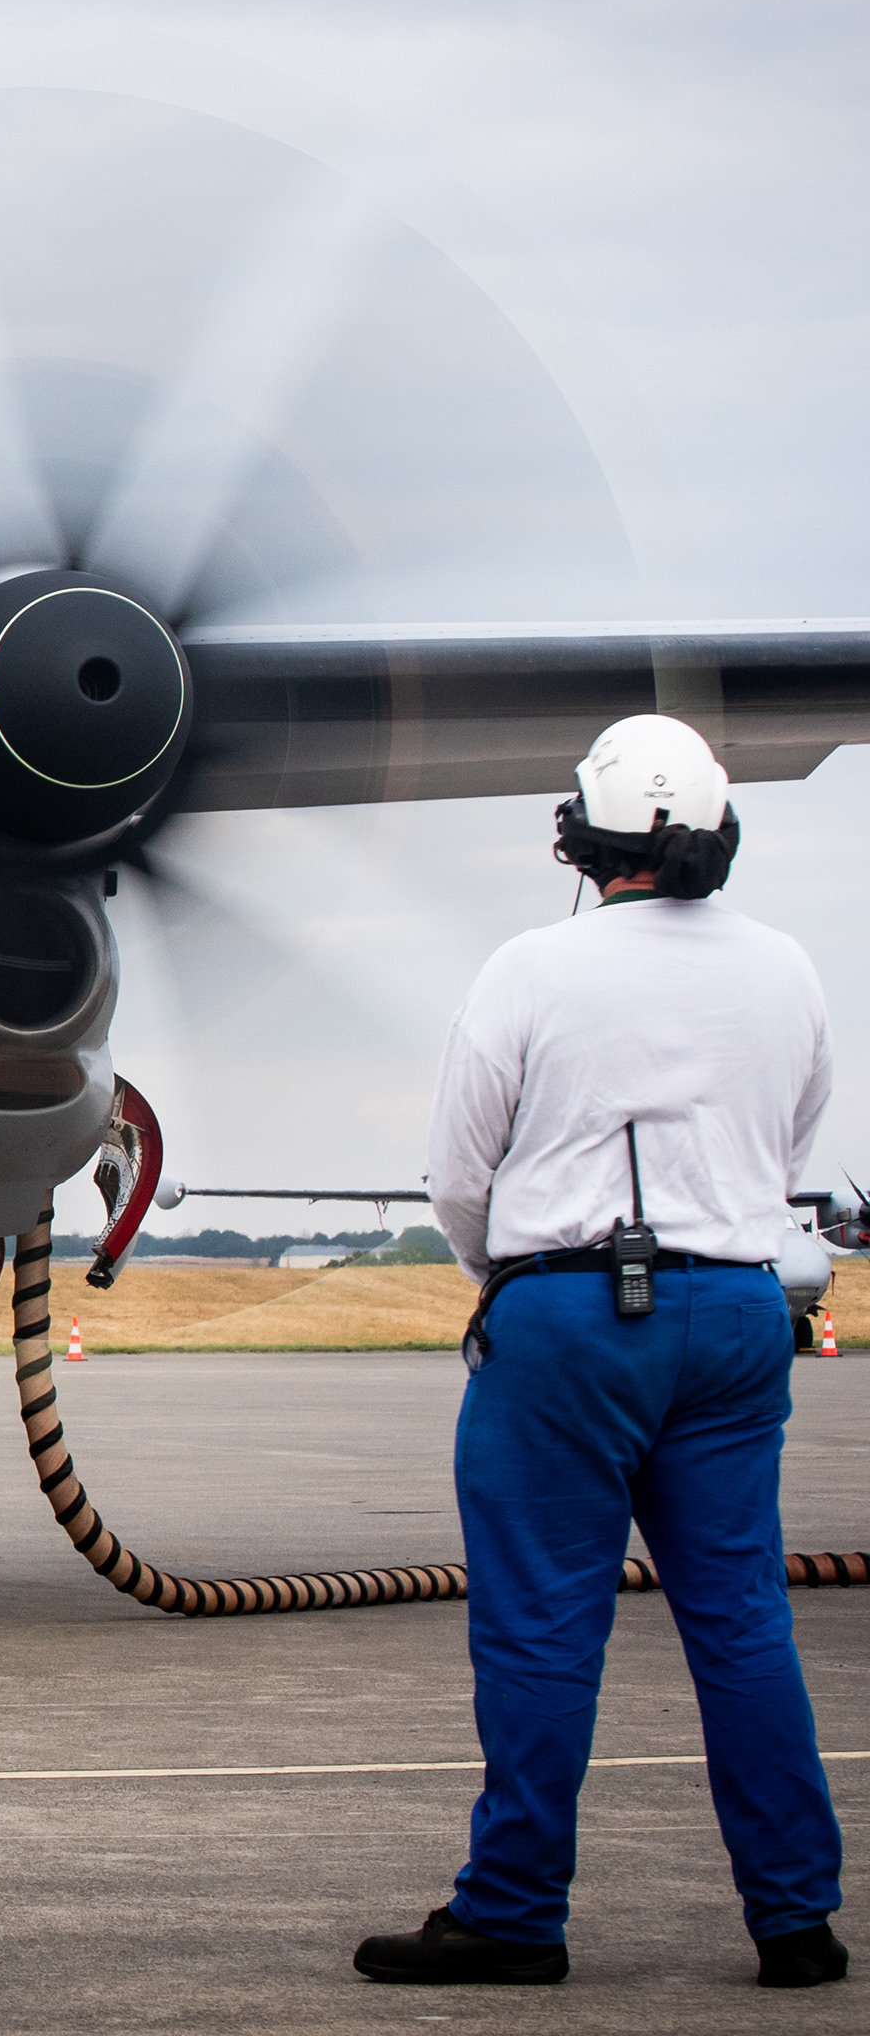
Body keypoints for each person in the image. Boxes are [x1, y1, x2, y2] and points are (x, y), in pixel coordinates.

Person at [356, 716, 844, 1990]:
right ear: (721, 833)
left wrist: (510, 1283)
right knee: (742, 1620)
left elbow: (462, 1172)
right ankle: (796, 1918)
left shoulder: (532, 967)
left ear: (580, 837)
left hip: (568, 1313)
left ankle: (515, 1914)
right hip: (738, 1312)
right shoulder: (788, 968)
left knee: (541, 1627)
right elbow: (791, 1140)